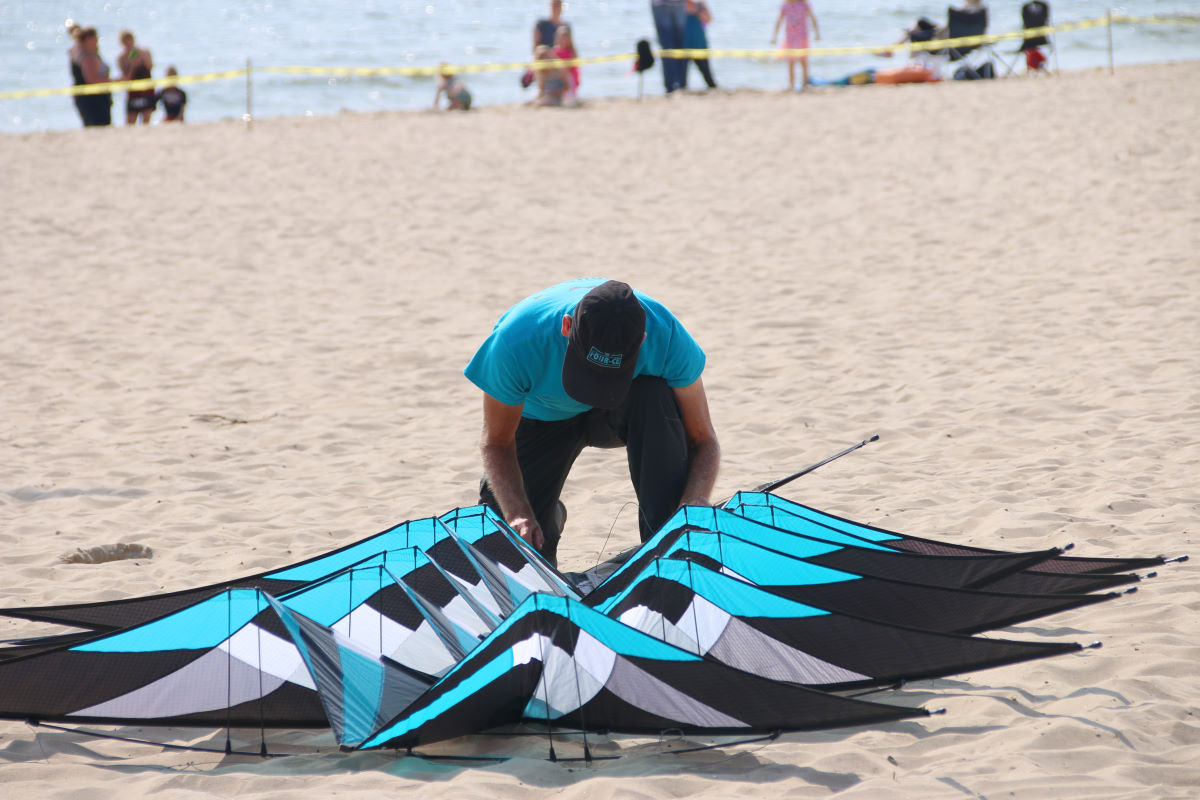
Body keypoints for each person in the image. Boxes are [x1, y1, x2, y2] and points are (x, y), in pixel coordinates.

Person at [465, 278, 721, 567]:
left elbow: (704, 440)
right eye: (587, 370)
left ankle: (667, 549)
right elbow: (496, 442)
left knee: (654, 394)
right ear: (566, 327)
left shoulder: (667, 336)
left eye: (609, 375)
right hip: (541, 420)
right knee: (507, 540)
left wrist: (695, 500)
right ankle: (549, 514)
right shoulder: (516, 342)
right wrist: (517, 513)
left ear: (642, 339)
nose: (594, 389)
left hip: (621, 414)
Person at [773, 0, 820, 91]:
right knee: (791, 63)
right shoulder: (786, 5)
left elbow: (812, 18)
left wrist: (817, 33)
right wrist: (774, 36)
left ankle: (804, 85)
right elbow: (779, 21)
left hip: (803, 37)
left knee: (803, 62)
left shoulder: (804, 4)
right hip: (790, 38)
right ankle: (791, 86)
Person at [71, 27, 112, 127]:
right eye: (94, 38)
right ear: (88, 40)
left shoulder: (89, 53)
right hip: (92, 98)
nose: (97, 40)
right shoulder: (86, 56)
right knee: (97, 126)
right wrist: (114, 81)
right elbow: (92, 80)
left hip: (96, 96)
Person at [117, 30, 155, 125]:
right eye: (126, 41)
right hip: (133, 92)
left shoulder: (144, 52)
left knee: (146, 121)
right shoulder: (122, 58)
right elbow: (126, 78)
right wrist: (132, 66)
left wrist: (141, 55)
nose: (128, 44)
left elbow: (150, 66)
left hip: (147, 90)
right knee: (130, 122)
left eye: (130, 40)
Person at [650, 0, 688, 93]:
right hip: (671, 5)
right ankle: (679, 85)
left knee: (671, 47)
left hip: (664, 5)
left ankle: (673, 86)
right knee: (677, 47)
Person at [683, 1, 717, 89]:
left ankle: (713, 90)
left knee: (708, 76)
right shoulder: (678, 5)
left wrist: (697, 10)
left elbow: (708, 20)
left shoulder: (700, 4)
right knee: (682, 80)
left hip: (699, 44)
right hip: (683, 46)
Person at [552, 25, 580, 101]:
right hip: (558, 78)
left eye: (565, 38)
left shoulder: (571, 52)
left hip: (569, 78)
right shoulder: (555, 51)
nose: (563, 40)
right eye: (561, 38)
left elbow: (570, 69)